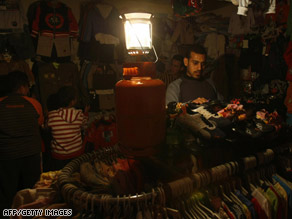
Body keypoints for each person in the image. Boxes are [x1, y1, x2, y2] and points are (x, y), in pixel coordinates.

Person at [0, 71, 44, 211]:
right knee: (32, 192)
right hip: (31, 154)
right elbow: (40, 123)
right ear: (22, 87)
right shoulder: (34, 103)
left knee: (7, 193)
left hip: (6, 156)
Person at [47, 85, 89, 170]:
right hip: (76, 153)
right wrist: (86, 113)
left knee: (61, 176)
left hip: (59, 155)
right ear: (73, 101)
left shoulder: (52, 115)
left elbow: (46, 128)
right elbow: (85, 126)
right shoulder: (79, 114)